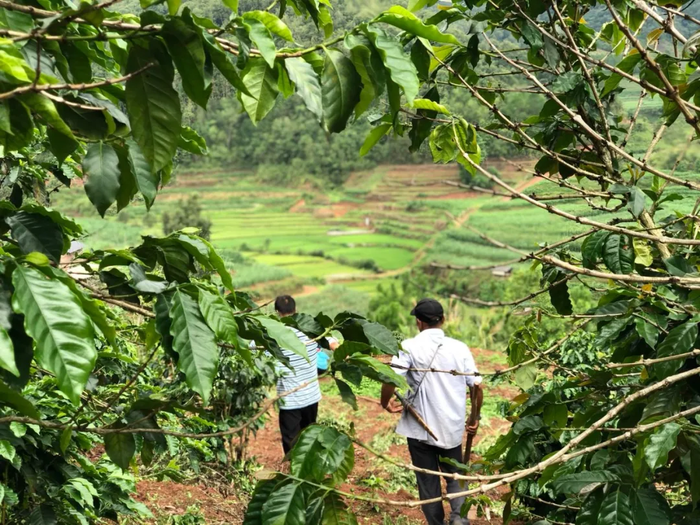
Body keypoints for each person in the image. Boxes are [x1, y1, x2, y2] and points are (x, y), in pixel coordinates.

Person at [380, 298, 483, 525]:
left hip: (420, 429)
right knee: (456, 477)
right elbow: (476, 387)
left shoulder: (409, 347)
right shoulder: (460, 348)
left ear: (419, 322)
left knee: (428, 484)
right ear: (443, 320)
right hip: (451, 429)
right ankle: (459, 521)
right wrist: (474, 418)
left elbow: (389, 378)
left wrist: (384, 401)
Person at [272, 295, 322, 455]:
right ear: (296, 310)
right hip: (312, 396)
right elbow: (332, 341)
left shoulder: (273, 334)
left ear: (277, 312)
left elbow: (254, 349)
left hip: (290, 400)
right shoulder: (311, 330)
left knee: (291, 442)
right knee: (309, 438)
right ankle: (310, 470)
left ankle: (295, 473)